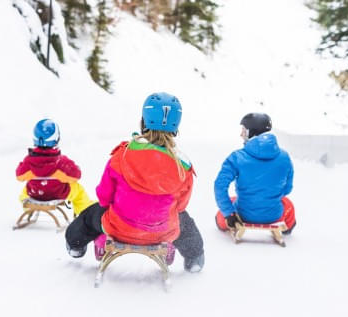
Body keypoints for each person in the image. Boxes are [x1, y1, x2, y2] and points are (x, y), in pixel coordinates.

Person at [65, 92, 205, 272]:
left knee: (90, 215)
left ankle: (75, 245)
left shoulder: (122, 155)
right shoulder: (182, 166)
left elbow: (104, 196)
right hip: (161, 230)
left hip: (120, 228)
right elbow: (181, 206)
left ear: (144, 121)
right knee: (184, 222)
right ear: (175, 126)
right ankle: (194, 258)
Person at [214, 113, 296, 233]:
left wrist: (229, 213)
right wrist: (268, 196)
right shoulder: (285, 157)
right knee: (287, 204)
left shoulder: (236, 157)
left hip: (243, 215)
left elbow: (220, 186)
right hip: (273, 215)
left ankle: (229, 220)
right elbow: (287, 189)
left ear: (250, 132)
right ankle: (286, 228)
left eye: (243, 130)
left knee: (223, 211)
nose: (241, 134)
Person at [16, 119, 95, 216]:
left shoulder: (28, 161)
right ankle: (85, 211)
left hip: (35, 194)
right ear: (56, 138)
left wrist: (22, 165)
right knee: (78, 189)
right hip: (58, 194)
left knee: (25, 190)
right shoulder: (61, 162)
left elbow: (19, 176)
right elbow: (76, 176)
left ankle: (28, 210)